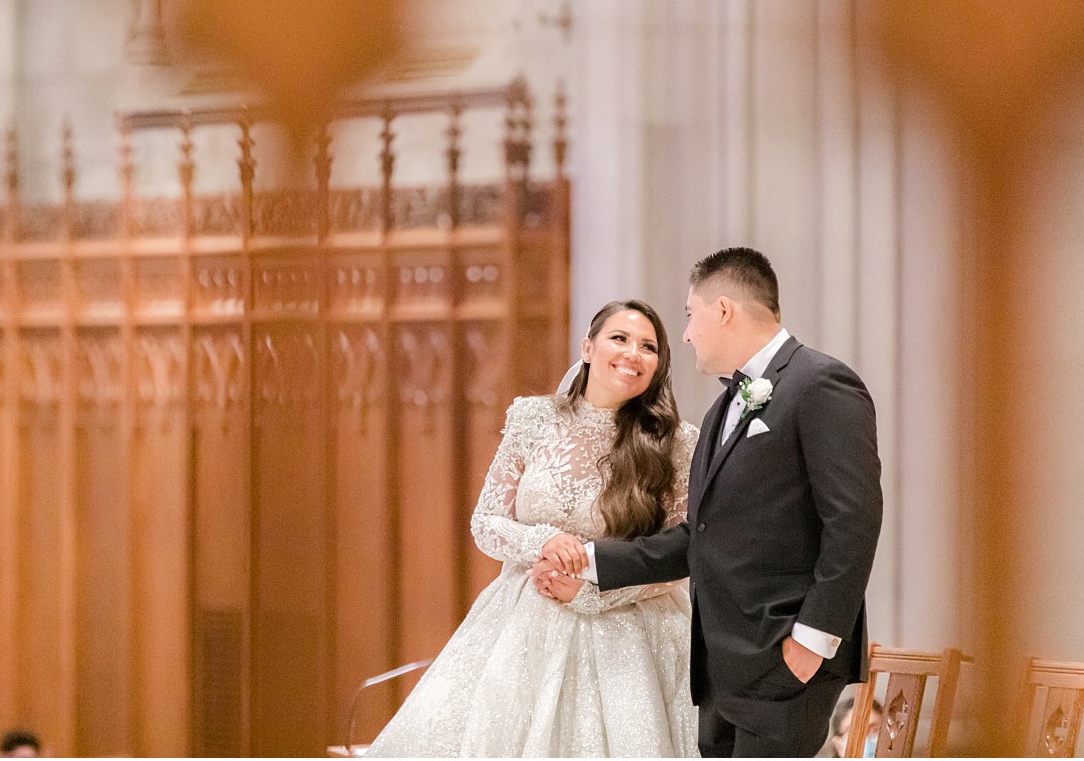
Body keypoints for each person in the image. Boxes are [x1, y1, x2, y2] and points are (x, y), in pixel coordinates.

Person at [536, 247, 882, 757]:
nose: (688, 333)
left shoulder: (820, 384)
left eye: (690, 315)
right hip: (723, 666)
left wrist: (813, 640)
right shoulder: (725, 406)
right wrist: (588, 562)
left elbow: (854, 521)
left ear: (722, 310)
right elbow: (699, 535)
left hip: (784, 655)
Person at [367, 299, 702, 757]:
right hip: (524, 620)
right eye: (619, 339)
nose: (633, 354)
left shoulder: (676, 441)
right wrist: (541, 539)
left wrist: (590, 589)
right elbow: (485, 522)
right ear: (587, 348)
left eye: (649, 347)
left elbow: (681, 556)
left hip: (632, 633)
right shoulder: (534, 418)